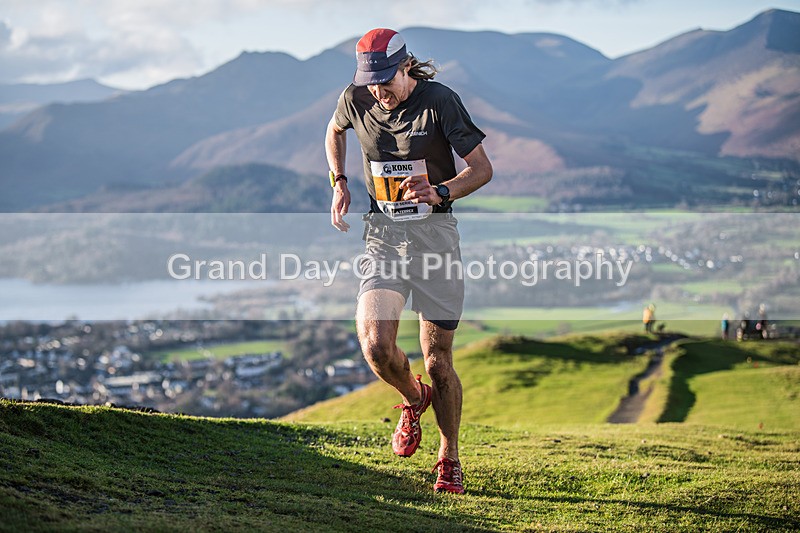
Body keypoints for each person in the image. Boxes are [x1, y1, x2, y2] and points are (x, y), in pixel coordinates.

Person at [324, 28, 492, 494]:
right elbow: (333, 130)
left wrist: (440, 191)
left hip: (435, 241)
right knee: (376, 346)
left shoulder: (440, 101)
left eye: (386, 79)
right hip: (383, 239)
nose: (378, 90)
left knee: (438, 361)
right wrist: (339, 180)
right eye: (370, 81)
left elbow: (482, 169)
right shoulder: (356, 98)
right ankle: (414, 398)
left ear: (405, 66)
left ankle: (449, 457)